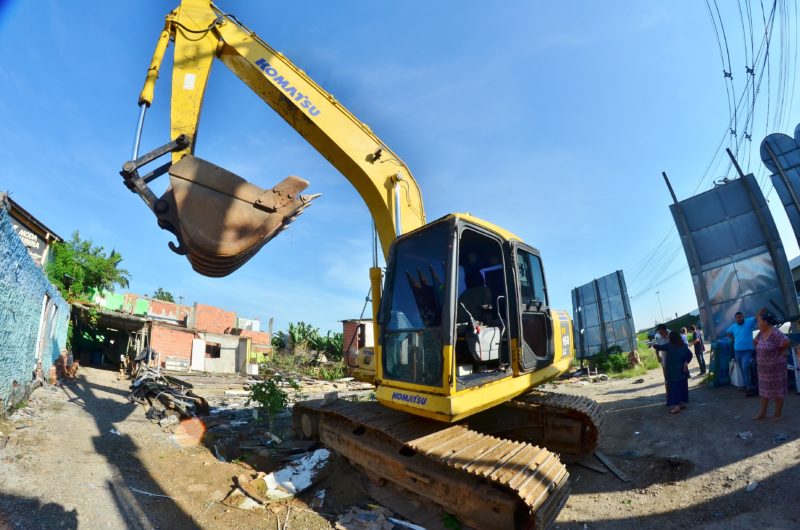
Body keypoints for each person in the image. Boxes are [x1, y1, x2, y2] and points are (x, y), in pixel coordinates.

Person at [752, 309, 790, 421]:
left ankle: (777, 415)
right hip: (763, 370)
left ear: (766, 322)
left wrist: (779, 350)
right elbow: (755, 342)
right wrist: (760, 349)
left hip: (776, 369)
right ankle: (762, 413)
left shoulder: (774, 333)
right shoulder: (762, 333)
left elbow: (786, 341)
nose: (758, 324)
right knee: (764, 392)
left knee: (778, 392)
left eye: (759, 322)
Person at [652, 330, 693, 413]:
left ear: (671, 338)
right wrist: (686, 362)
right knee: (682, 388)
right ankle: (682, 404)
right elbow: (690, 355)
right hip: (682, 371)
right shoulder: (684, 346)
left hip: (673, 372)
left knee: (674, 389)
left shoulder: (669, 345)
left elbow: (659, 347)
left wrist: (653, 344)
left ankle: (676, 407)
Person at [726, 312, 758, 396]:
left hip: (747, 351)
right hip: (737, 351)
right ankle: (747, 385)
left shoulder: (749, 322)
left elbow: (756, 317)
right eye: (737, 318)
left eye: (740, 317)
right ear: (735, 319)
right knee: (742, 369)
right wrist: (733, 338)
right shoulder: (734, 326)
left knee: (745, 367)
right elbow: (728, 332)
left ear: (743, 316)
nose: (739, 319)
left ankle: (749, 388)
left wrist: (763, 309)